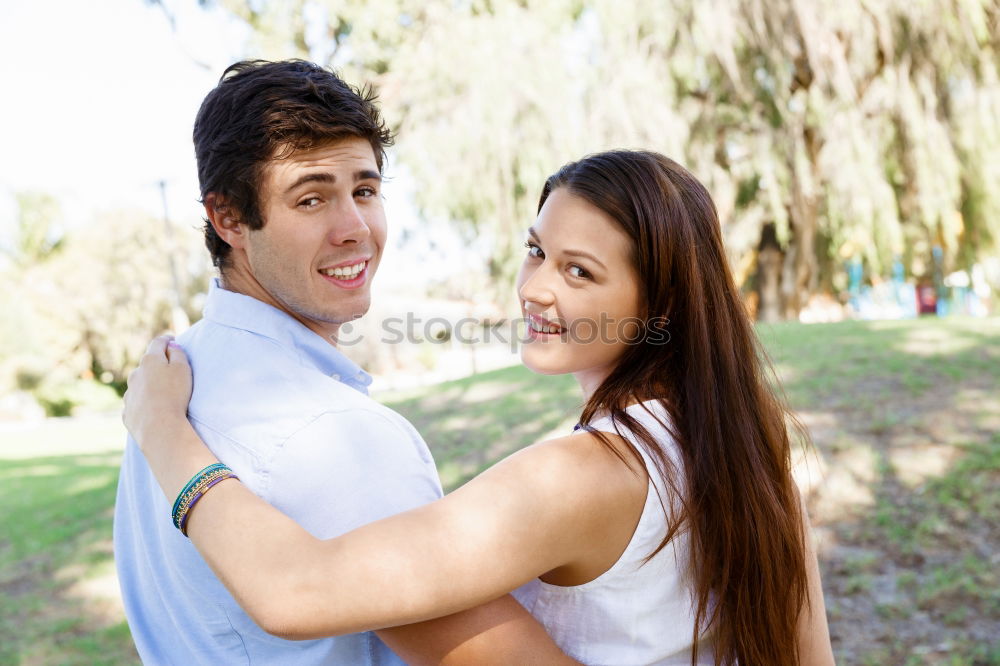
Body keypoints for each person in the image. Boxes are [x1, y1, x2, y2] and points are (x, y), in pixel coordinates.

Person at [124, 150, 836, 665]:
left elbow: (292, 592)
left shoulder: (581, 474)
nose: (536, 289)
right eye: (536, 251)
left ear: (662, 305)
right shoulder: (744, 431)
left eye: (579, 271)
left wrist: (162, 431)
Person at [112, 59, 573, 665]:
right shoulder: (336, 436)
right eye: (311, 199)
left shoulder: (171, 382)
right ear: (227, 218)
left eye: (365, 190)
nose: (355, 228)